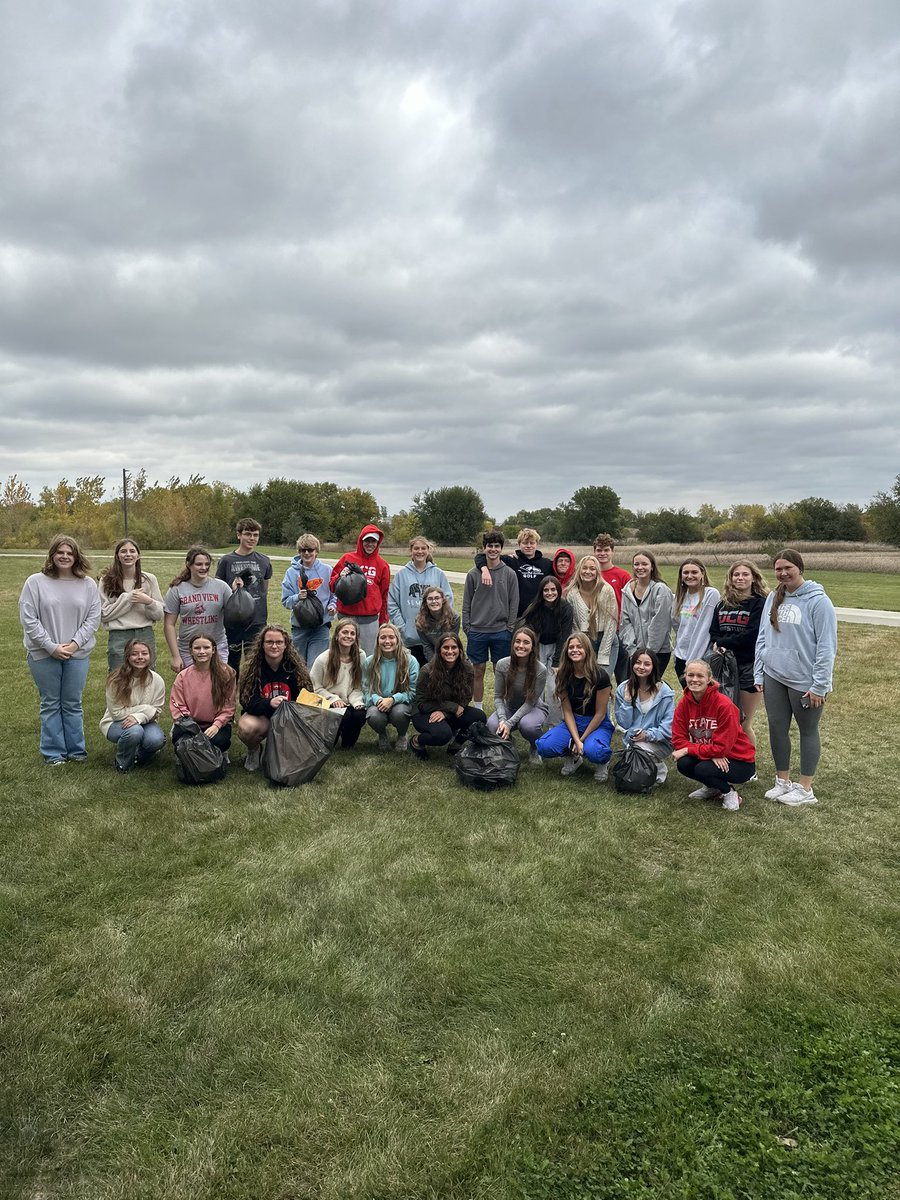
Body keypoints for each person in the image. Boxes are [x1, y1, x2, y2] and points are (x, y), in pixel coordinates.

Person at [754, 549, 837, 807]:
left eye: (788, 568)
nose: (783, 573)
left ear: (799, 568)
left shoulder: (818, 601)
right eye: (778, 569)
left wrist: (819, 685)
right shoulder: (772, 598)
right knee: (777, 728)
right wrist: (760, 670)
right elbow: (763, 637)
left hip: (804, 680)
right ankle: (782, 781)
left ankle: (805, 788)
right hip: (774, 675)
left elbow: (826, 646)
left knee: (807, 731)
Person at [19, 534, 102, 765]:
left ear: (76, 557)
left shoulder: (87, 585)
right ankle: (53, 752)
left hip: (78, 654)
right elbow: (29, 619)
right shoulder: (35, 582)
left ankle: (76, 751)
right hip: (43, 654)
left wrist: (75, 644)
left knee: (73, 703)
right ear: (52, 555)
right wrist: (51, 647)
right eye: (60, 552)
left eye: (69, 553)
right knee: (50, 702)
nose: (65, 557)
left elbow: (93, 619)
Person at [672, 659, 755, 812]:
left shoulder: (724, 705)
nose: (694, 679)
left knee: (703, 769)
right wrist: (708, 752)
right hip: (713, 755)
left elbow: (721, 748)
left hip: (739, 760)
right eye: (690, 675)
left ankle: (729, 792)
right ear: (685, 677)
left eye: (700, 676)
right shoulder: (684, 703)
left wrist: (689, 749)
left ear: (709, 679)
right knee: (684, 763)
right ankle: (713, 787)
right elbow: (678, 740)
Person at [535, 632, 614, 781]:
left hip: (597, 723)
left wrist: (580, 741)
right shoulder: (563, 675)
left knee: (595, 751)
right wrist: (576, 740)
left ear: (587, 650)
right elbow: (567, 711)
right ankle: (573, 757)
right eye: (571, 647)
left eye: (579, 647)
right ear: (566, 651)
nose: (575, 650)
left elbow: (600, 714)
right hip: (573, 721)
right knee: (544, 746)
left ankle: (603, 762)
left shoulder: (601, 676)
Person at [236, 624, 313, 770]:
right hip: (263, 717)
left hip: (289, 718)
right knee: (246, 727)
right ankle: (254, 750)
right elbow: (247, 702)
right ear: (262, 645)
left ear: (286, 645)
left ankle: (280, 749)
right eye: (269, 642)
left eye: (279, 642)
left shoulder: (295, 668)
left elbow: (307, 697)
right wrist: (269, 703)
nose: (274, 646)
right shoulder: (253, 668)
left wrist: (288, 707)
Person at [710, 561, 769, 748]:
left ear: (754, 578)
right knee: (724, 718)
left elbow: (752, 635)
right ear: (730, 578)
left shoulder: (760, 603)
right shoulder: (722, 604)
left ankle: (749, 765)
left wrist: (723, 642)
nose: (740, 578)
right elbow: (714, 632)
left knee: (743, 721)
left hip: (748, 667)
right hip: (724, 667)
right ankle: (727, 755)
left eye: (745, 574)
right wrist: (718, 642)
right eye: (736, 575)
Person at [462, 529, 519, 708]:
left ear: (501, 549)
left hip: (501, 631)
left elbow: (513, 603)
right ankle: (478, 709)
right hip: (477, 631)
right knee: (477, 671)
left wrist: (509, 628)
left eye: (496, 546)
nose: (493, 549)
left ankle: (501, 709)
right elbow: (466, 604)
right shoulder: (473, 574)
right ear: (484, 548)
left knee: (500, 671)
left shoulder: (509, 574)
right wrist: (468, 628)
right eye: (489, 546)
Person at [409, 632, 486, 759]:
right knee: (442, 735)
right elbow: (421, 702)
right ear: (439, 650)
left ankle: (456, 745)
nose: (450, 651)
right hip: (425, 712)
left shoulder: (467, 669)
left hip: (452, 711)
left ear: (460, 650)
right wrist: (451, 707)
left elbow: (465, 698)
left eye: (454, 647)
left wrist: (446, 713)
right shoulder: (427, 671)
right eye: (446, 647)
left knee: (479, 717)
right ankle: (417, 741)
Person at [99, 638, 166, 773]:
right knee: (135, 731)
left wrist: (139, 717)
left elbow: (157, 711)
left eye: (144, 653)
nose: (140, 657)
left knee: (156, 740)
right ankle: (123, 763)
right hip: (115, 722)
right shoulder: (116, 680)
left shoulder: (157, 680)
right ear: (127, 657)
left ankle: (138, 756)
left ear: (150, 656)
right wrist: (146, 709)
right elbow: (117, 713)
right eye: (134, 654)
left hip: (146, 721)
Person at [215, 518, 273, 674]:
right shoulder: (226, 561)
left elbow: (264, 589)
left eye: (255, 535)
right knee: (230, 664)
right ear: (238, 535)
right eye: (248, 534)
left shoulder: (264, 561)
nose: (252, 538)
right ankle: (230, 696)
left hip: (256, 620)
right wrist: (233, 589)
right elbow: (219, 589)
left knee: (255, 664)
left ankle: (251, 696)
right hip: (232, 620)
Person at [98, 538, 164, 670]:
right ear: (117, 556)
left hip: (144, 633)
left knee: (147, 676)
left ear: (138, 556)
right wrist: (127, 599)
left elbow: (159, 614)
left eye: (132, 551)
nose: (128, 554)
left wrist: (148, 601)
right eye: (123, 551)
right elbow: (103, 614)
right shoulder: (106, 581)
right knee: (118, 677)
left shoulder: (149, 579)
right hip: (118, 635)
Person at [487, 627, 549, 766]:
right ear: (513, 644)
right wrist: (503, 719)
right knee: (491, 726)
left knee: (528, 726)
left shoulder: (540, 670)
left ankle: (535, 747)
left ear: (533, 647)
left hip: (533, 708)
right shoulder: (502, 664)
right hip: (509, 707)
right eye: (518, 641)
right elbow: (498, 697)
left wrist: (509, 723)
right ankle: (508, 741)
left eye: (526, 642)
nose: (521, 646)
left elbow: (530, 702)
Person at [169, 631, 236, 756]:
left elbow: (229, 705)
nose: (201, 651)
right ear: (191, 651)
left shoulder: (226, 673)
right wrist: (191, 727)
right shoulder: (183, 676)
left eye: (206, 647)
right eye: (197, 648)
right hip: (191, 723)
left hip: (215, 723)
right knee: (182, 739)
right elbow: (177, 704)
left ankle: (219, 754)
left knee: (219, 741)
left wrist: (217, 725)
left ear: (214, 650)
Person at [164, 546, 231, 670]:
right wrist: (175, 656)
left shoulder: (221, 587)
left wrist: (239, 592)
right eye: (199, 564)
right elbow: (169, 624)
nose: (204, 568)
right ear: (189, 565)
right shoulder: (177, 589)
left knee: (218, 685)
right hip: (188, 648)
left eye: (207, 564)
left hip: (216, 646)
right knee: (192, 686)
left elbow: (236, 613)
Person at [387, 537, 453, 664]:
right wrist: (402, 627)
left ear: (428, 551)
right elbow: (392, 603)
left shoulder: (438, 574)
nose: (420, 551)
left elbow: (448, 601)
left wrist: (440, 625)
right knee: (412, 676)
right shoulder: (402, 575)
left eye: (423, 548)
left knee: (432, 677)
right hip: (410, 639)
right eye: (416, 548)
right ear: (411, 551)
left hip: (433, 637)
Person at [614, 648, 675, 785]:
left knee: (638, 753)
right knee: (631, 766)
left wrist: (647, 735)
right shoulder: (623, 688)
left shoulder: (665, 692)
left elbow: (668, 728)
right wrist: (628, 701)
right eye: (638, 662)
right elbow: (624, 723)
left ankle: (659, 770)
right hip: (633, 741)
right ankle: (649, 765)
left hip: (660, 741)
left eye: (647, 664)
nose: (641, 667)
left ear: (653, 667)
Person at [518, 575, 574, 723]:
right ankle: (534, 717)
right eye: (546, 590)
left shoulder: (566, 608)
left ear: (558, 590)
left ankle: (553, 722)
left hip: (557, 647)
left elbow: (564, 636)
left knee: (553, 685)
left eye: (553, 590)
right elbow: (527, 629)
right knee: (536, 683)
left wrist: (557, 662)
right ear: (541, 592)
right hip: (539, 646)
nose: (550, 593)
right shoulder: (535, 607)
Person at [329, 524, 390, 655]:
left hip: (369, 619)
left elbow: (384, 596)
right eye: (367, 540)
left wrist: (383, 622)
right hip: (346, 617)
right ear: (361, 541)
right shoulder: (347, 559)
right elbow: (332, 586)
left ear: (378, 543)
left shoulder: (382, 565)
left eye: (373, 541)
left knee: (366, 658)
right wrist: (340, 576)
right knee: (344, 656)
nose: (370, 544)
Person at [309, 618, 367, 748]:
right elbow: (315, 687)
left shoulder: (361, 656)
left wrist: (357, 702)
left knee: (360, 715)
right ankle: (329, 735)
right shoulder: (323, 659)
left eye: (352, 634)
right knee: (343, 714)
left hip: (350, 699)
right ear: (336, 636)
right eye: (344, 632)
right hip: (327, 701)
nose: (348, 636)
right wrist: (333, 699)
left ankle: (347, 740)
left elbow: (359, 686)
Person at [472, 527, 553, 617]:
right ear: (519, 544)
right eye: (525, 543)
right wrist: (484, 570)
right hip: (517, 615)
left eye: (532, 543)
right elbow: (481, 556)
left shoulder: (547, 564)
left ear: (537, 544)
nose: (528, 546)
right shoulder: (511, 560)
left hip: (539, 614)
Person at [280, 534, 335, 666]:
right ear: (299, 552)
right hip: (299, 627)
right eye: (303, 550)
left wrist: (333, 605)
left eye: (310, 550)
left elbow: (335, 594)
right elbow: (286, 601)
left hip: (321, 627)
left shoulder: (327, 570)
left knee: (316, 666)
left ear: (316, 551)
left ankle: (313, 688)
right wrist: (297, 597)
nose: (306, 553)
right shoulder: (291, 573)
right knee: (298, 667)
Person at [364, 622, 419, 751]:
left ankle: (402, 735)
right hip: (377, 702)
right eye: (383, 637)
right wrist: (377, 699)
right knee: (373, 715)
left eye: (391, 637)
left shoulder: (410, 661)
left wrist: (393, 699)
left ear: (397, 639)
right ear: (377, 640)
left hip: (401, 702)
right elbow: (365, 689)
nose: (387, 641)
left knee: (399, 713)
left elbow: (413, 691)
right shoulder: (369, 662)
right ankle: (382, 734)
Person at [619, 551, 675, 676]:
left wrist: (649, 653)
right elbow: (625, 621)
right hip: (635, 652)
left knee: (651, 688)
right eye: (636, 564)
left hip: (658, 652)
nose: (640, 567)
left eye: (644, 564)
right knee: (636, 688)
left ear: (652, 566)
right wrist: (633, 650)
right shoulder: (627, 591)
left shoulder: (661, 590)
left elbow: (660, 624)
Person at [565, 555, 618, 674]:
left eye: (592, 569)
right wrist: (581, 645)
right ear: (579, 570)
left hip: (606, 639)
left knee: (603, 679)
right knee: (586, 680)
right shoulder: (572, 593)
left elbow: (611, 621)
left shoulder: (607, 590)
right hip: (584, 640)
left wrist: (603, 654)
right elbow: (573, 624)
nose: (588, 571)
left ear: (597, 572)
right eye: (584, 568)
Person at [671, 559, 720, 684]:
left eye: (694, 572)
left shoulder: (710, 594)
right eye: (685, 572)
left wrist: (693, 660)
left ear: (702, 573)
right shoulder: (679, 597)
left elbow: (704, 628)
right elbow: (677, 624)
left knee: (704, 698)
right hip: (681, 655)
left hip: (701, 656)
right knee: (689, 697)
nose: (689, 576)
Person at [593, 533, 632, 682]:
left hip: (619, 631)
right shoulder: (590, 573)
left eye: (606, 550)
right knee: (600, 676)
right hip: (598, 632)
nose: (602, 554)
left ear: (612, 551)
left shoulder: (623, 576)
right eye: (599, 550)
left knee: (624, 677)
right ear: (594, 551)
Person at [415, 586, 461, 663]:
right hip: (432, 656)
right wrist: (435, 664)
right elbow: (427, 646)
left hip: (450, 653)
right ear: (425, 602)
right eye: (430, 599)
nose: (434, 601)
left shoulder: (454, 618)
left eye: (437, 598)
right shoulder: (420, 621)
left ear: (443, 600)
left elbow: (452, 643)